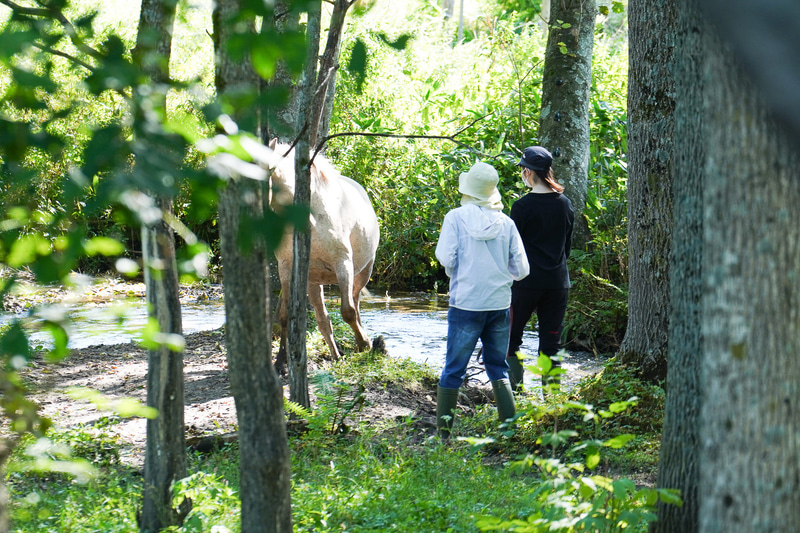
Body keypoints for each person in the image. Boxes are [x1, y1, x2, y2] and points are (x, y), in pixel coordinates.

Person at [434, 161, 530, 438]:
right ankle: (510, 432)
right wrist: (501, 275)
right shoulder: (507, 223)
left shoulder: (455, 217)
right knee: (498, 367)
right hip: (499, 303)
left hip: (465, 302)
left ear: (468, 190)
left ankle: (443, 436)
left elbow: (446, 257)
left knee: (453, 368)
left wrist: (458, 272)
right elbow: (522, 270)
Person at [506, 146, 574, 392]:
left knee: (511, 340)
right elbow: (566, 248)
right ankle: (552, 403)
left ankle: (516, 397)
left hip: (525, 284)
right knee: (551, 343)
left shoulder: (521, 207)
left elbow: (513, 250)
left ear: (528, 172)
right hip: (557, 284)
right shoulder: (565, 204)